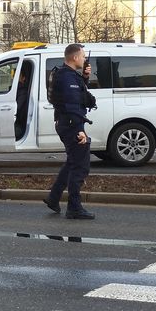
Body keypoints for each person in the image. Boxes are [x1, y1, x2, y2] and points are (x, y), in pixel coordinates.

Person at [43, 43, 95, 219]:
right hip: (72, 124)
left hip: (66, 122)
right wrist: (80, 130)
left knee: (72, 162)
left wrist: (85, 78)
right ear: (74, 58)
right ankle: (74, 207)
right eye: (83, 56)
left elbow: (79, 96)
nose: (85, 59)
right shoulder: (67, 78)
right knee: (80, 166)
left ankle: (53, 197)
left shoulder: (68, 75)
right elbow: (73, 105)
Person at [14, 63, 31, 140]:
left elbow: (16, 108)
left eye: (18, 75)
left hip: (20, 126)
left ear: (23, 78)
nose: (14, 78)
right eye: (14, 75)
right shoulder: (17, 90)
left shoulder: (22, 91)